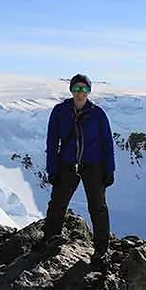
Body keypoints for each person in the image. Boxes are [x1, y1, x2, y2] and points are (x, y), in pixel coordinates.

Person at [35, 73, 116, 263]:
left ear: (89, 91)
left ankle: (102, 248)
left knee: (97, 206)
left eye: (84, 89)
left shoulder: (98, 114)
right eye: (77, 88)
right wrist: (52, 169)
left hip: (93, 165)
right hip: (67, 164)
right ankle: (49, 239)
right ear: (71, 89)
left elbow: (107, 143)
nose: (81, 93)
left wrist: (109, 170)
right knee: (57, 203)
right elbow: (52, 141)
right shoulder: (60, 111)